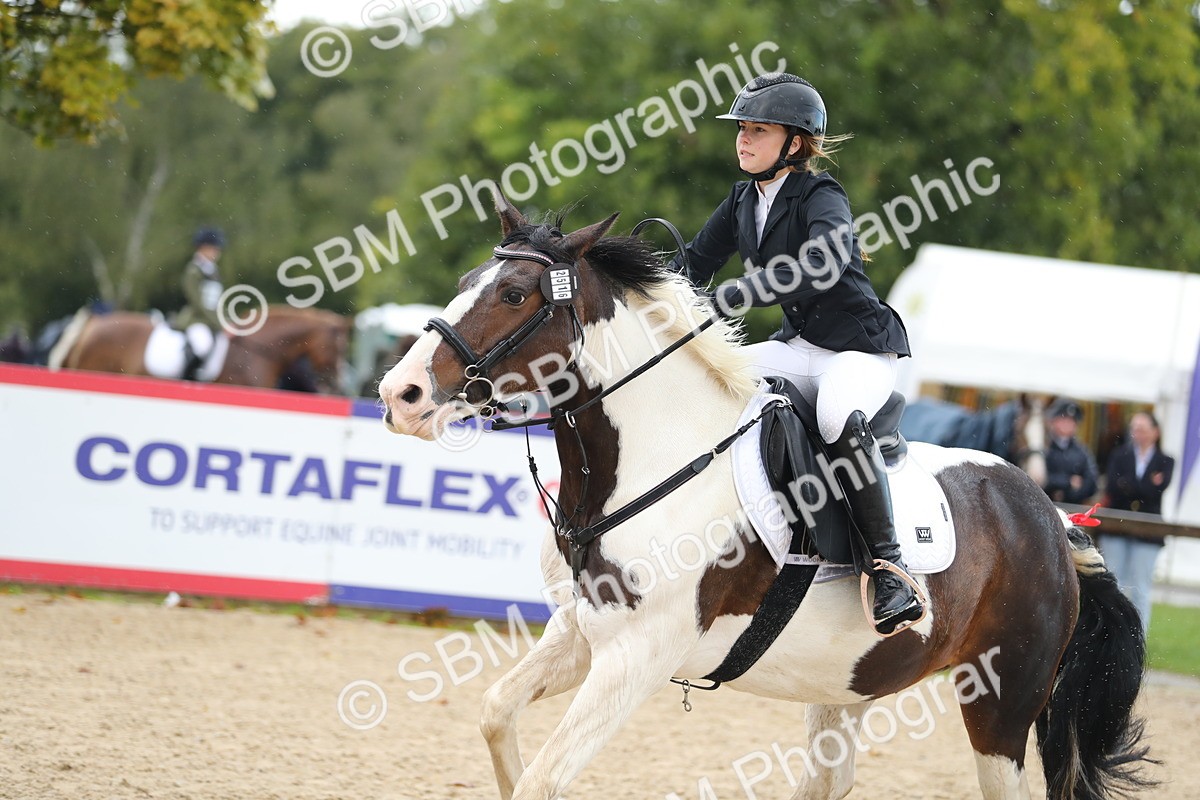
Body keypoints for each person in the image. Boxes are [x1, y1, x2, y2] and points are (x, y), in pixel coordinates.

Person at [674, 72, 918, 635]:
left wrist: (743, 293)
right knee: (713, 380)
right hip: (800, 346)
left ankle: (888, 567)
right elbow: (696, 263)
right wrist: (642, 286)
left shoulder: (821, 195)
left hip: (859, 349)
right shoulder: (742, 198)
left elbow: (823, 264)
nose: (743, 140)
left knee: (835, 413)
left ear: (796, 143)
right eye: (741, 129)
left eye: (758, 130)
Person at [1101, 411, 1175, 629]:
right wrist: (1145, 485)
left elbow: (1157, 491)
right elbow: (1114, 488)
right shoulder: (1119, 456)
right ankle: (1112, 634)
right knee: (1115, 583)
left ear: (1155, 432)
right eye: (1135, 429)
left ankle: (1138, 638)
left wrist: (1130, 485)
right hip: (1117, 527)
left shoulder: (1165, 460)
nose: (1138, 434)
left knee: (1141, 587)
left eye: (1142, 429)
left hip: (1148, 532)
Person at [175, 227, 226, 380]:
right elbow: (197, 303)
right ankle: (187, 379)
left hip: (212, 320)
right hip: (196, 319)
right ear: (203, 248)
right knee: (203, 345)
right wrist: (219, 324)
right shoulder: (193, 271)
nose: (217, 252)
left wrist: (227, 320)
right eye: (213, 249)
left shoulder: (213, 271)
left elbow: (217, 301)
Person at [1043, 399, 1099, 505]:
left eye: (1071, 421)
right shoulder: (1044, 448)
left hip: (1073, 508)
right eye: (1063, 420)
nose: (1067, 424)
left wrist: (1071, 495)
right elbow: (1039, 479)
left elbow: (1091, 482)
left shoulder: (1082, 452)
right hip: (1045, 506)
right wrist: (1067, 482)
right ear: (1053, 421)